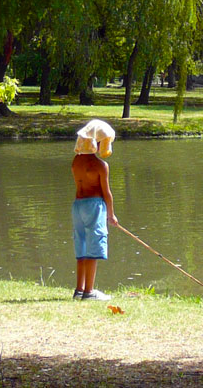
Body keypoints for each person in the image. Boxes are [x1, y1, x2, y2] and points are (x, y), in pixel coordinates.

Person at [71, 119, 118, 300]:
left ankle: (79, 289)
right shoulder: (100, 166)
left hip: (78, 205)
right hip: (94, 206)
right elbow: (106, 193)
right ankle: (89, 292)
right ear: (96, 143)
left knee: (81, 246)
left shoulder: (76, 162)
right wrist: (111, 215)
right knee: (93, 247)